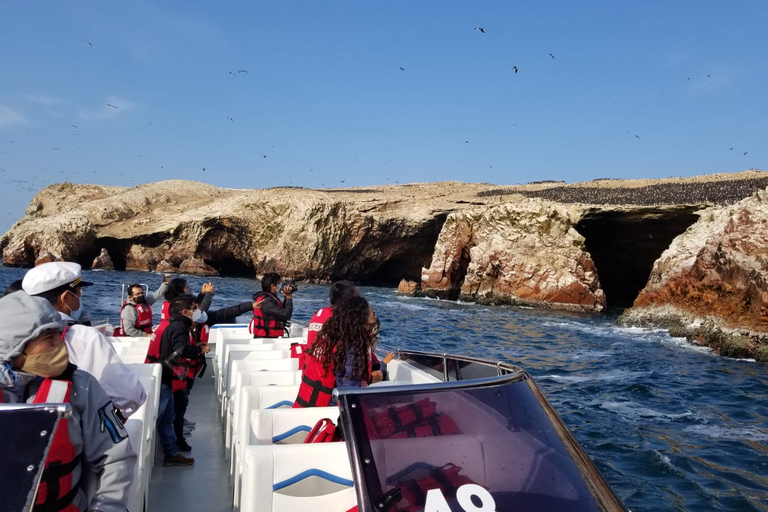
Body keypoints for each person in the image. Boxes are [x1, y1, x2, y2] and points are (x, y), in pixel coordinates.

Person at [0, 291, 137, 511]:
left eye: (58, 334)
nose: (59, 344)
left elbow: (116, 457)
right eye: (48, 338)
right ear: (14, 347)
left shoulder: (82, 387)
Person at [22, 261, 146, 419]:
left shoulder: (14, 335)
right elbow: (130, 395)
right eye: (79, 292)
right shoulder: (84, 337)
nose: (80, 298)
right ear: (66, 297)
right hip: (69, 432)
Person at [294, 296, 392, 408]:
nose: (375, 319)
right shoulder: (352, 349)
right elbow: (349, 393)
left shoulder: (344, 342)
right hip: (337, 411)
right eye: (373, 315)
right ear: (361, 322)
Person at [157, 294, 209, 464]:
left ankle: (171, 453)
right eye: (194, 308)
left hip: (168, 376)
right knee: (163, 415)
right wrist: (199, 351)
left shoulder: (177, 325)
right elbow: (181, 350)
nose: (196, 311)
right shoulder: (179, 327)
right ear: (185, 311)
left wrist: (194, 347)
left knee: (167, 416)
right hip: (167, 378)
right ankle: (170, 452)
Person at [306, 280, 358, 349]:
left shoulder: (319, 314)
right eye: (357, 299)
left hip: (312, 358)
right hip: (331, 359)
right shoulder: (343, 318)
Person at [250, 272, 293, 338]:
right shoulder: (267, 301)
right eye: (278, 284)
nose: (280, 286)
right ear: (272, 286)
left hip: (268, 337)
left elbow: (281, 312)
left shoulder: (269, 298)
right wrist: (289, 298)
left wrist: (286, 297)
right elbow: (286, 315)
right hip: (267, 338)